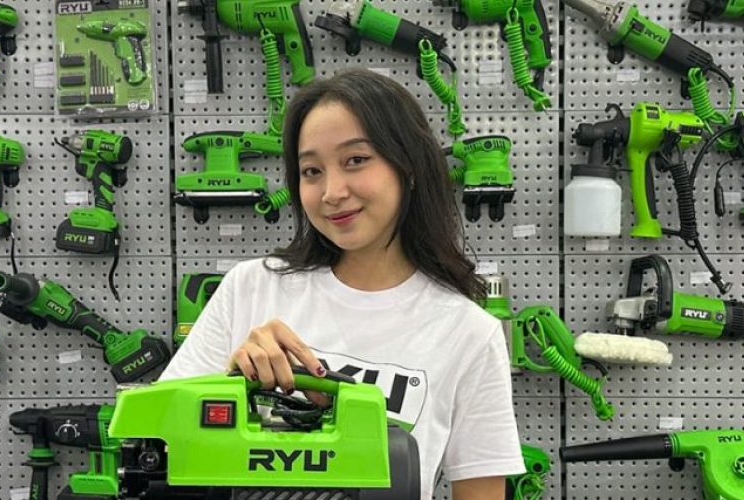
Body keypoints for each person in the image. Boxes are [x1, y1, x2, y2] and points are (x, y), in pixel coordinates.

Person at [160, 68, 524, 499]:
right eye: (311, 170)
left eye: (356, 160)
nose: (331, 192)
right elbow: (160, 446)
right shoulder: (250, 288)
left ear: (409, 167)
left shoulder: (469, 332)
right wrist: (232, 380)